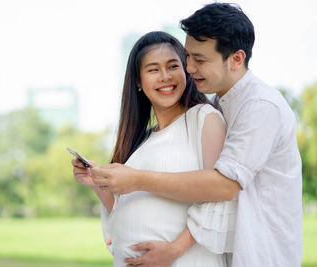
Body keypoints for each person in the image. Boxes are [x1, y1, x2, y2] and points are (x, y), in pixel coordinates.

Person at [91, 3, 302, 267]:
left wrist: (138, 180)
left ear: (236, 59)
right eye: (188, 56)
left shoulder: (258, 106)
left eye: (199, 60)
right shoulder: (225, 104)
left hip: (260, 254)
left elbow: (224, 185)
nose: (189, 68)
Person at [72, 30, 236, 267]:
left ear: (186, 70)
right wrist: (98, 183)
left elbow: (220, 196)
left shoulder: (204, 118)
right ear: (138, 81)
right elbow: (126, 208)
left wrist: (173, 251)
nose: (165, 77)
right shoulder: (144, 140)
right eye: (153, 69)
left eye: (172, 66)